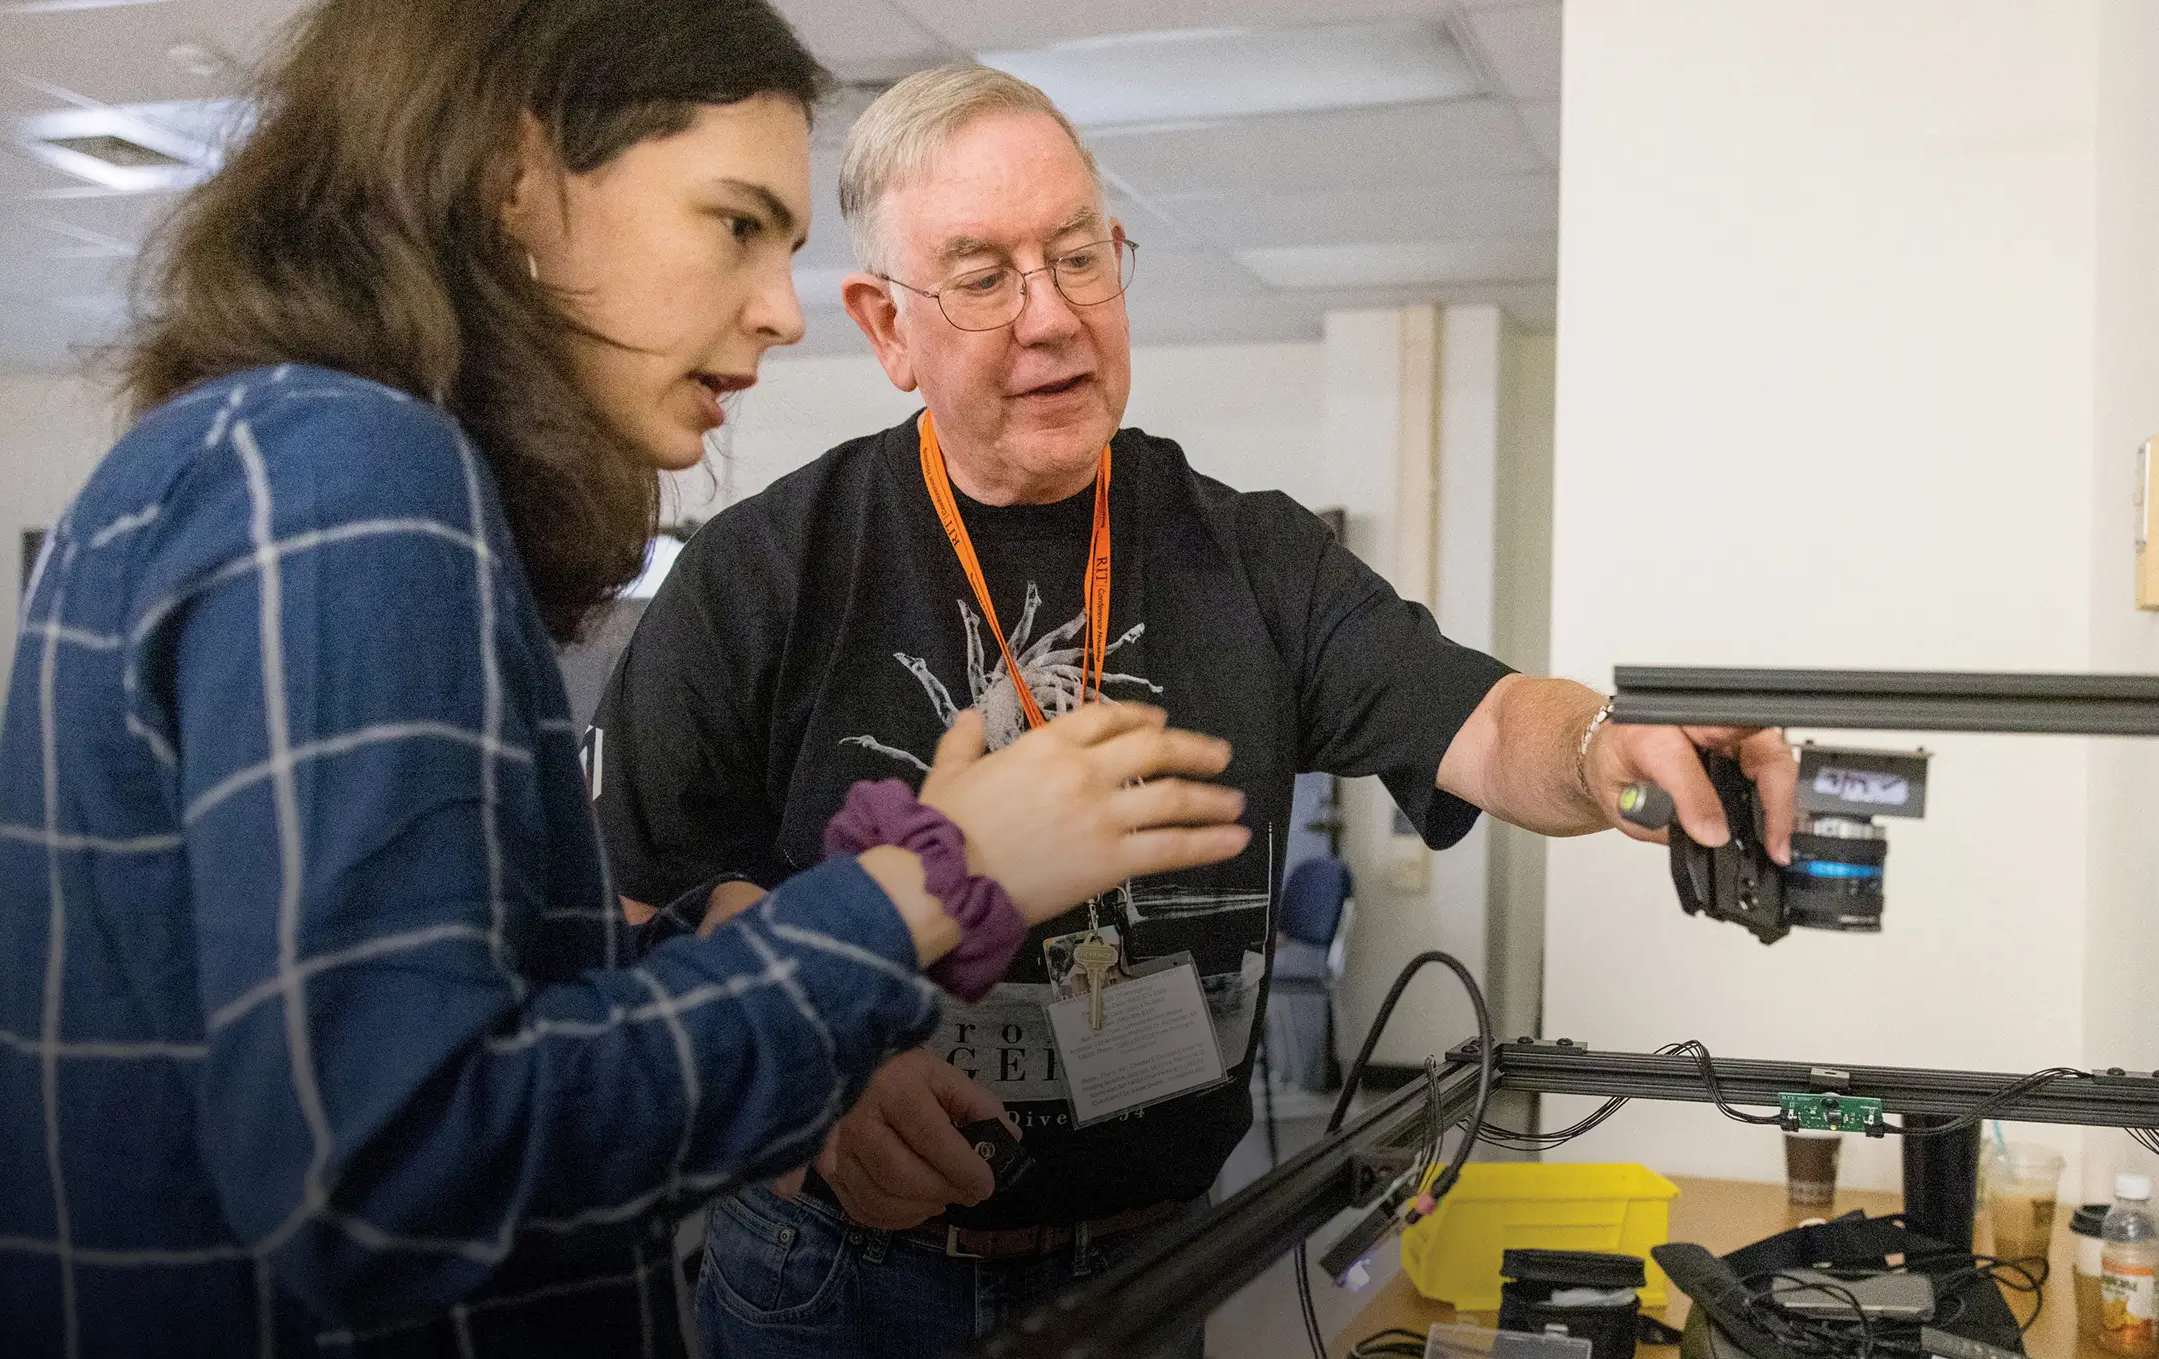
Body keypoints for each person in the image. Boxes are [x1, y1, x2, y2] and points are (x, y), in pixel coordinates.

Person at [0, 5, 1248, 1355]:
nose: (773, 313)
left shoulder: (267, 452)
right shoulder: (356, 481)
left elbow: (450, 1003)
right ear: (519, 179)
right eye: (735, 224)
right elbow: (386, 1175)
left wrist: (725, 955)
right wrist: (932, 881)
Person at [590, 65, 1800, 1358]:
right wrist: (798, 1084)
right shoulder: (762, 573)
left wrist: (1611, 743)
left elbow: (1493, 722)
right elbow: (620, 919)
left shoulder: (1254, 556)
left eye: (1078, 256)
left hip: (1152, 1264)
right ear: (887, 324)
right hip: (840, 1277)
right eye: (986, 276)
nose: (1051, 316)